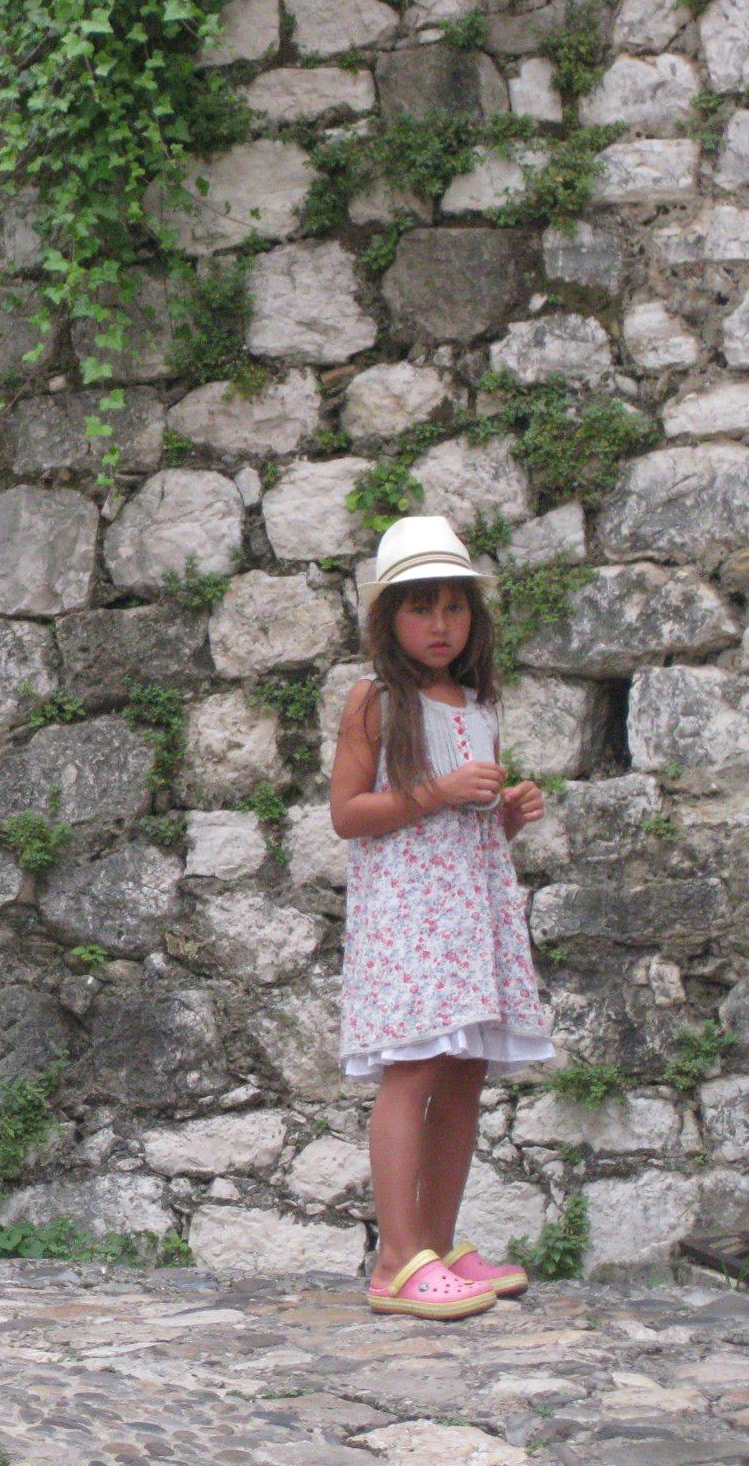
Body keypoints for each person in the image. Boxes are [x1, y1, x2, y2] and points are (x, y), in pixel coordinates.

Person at [329, 515, 555, 1321]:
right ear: (389, 618)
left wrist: (506, 817)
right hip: (409, 918)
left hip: (469, 917)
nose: (440, 624)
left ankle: (438, 1243)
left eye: (455, 607)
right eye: (421, 607)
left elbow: (467, 832)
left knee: (464, 1072)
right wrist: (439, 791)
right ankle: (396, 1260)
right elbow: (348, 814)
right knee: (415, 1068)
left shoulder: (478, 704)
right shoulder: (377, 700)